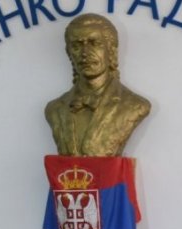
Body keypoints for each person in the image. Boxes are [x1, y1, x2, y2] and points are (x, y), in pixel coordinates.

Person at [45, 13, 151, 156]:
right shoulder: (55, 109)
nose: (85, 53)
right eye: (76, 46)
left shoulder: (134, 105)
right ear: (69, 53)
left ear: (111, 50)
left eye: (95, 43)